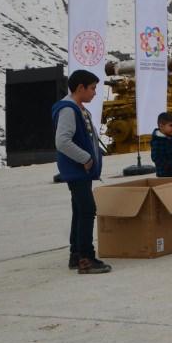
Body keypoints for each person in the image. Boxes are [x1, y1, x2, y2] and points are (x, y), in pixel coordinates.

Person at [53, 69, 111, 274]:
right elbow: (62, 141)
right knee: (87, 210)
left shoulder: (78, 108)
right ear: (80, 88)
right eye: (93, 88)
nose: (95, 93)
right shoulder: (68, 109)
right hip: (77, 170)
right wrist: (85, 158)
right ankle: (86, 258)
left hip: (81, 172)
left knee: (79, 211)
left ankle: (75, 254)